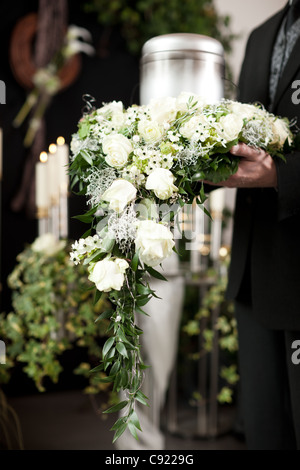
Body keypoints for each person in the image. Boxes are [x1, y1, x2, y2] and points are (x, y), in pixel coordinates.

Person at [206, 0, 300, 449]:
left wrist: (283, 173)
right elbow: (239, 136)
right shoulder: (261, 35)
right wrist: (181, 162)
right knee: (264, 432)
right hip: (252, 271)